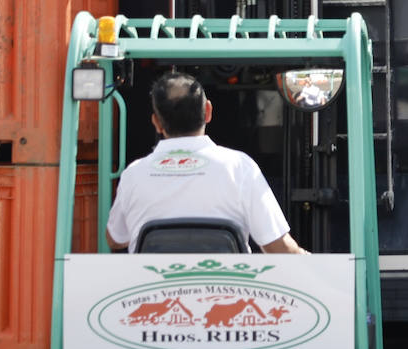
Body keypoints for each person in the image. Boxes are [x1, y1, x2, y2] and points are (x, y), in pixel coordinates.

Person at [106, 70, 305, 253]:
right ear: (208, 111)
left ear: (156, 123)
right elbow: (279, 248)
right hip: (227, 291)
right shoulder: (240, 168)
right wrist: (316, 266)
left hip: (154, 291)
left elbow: (114, 239)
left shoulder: (133, 175)